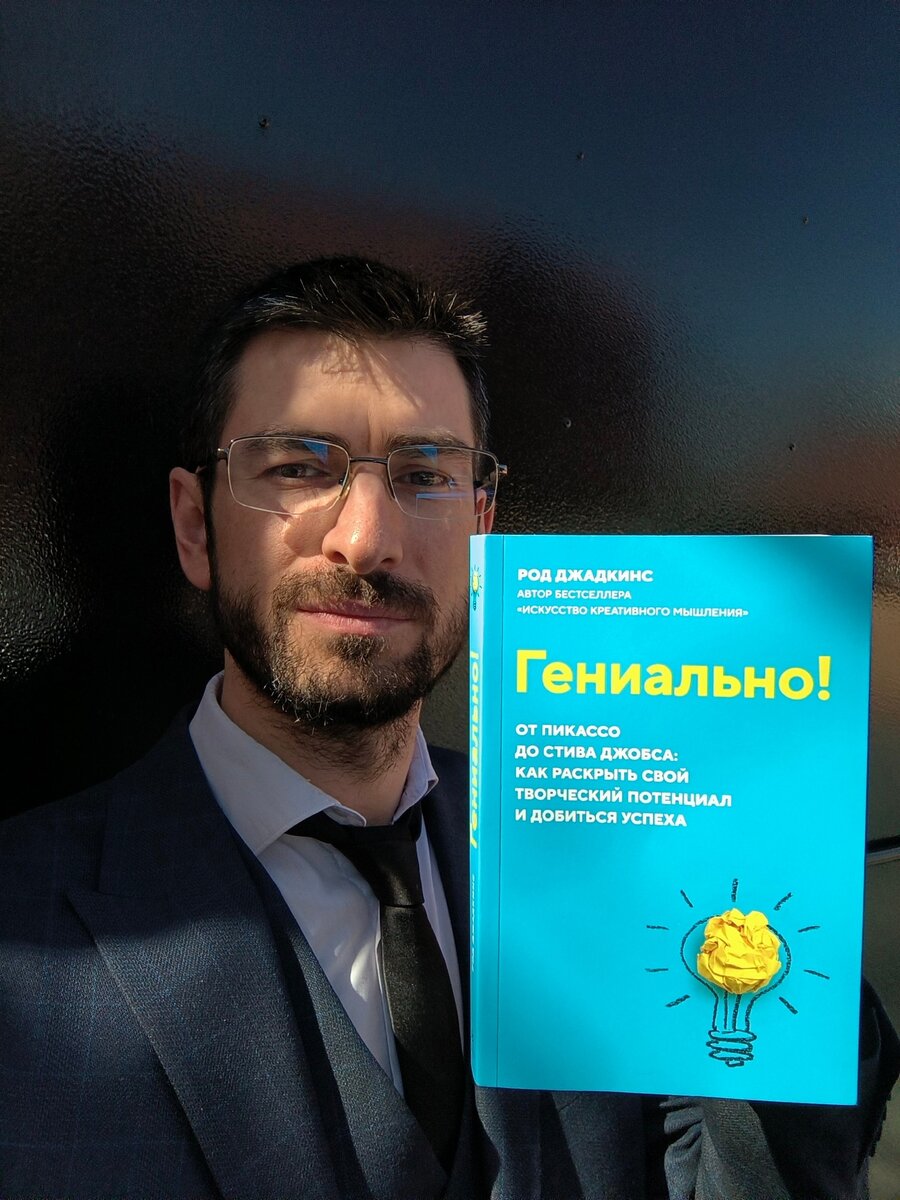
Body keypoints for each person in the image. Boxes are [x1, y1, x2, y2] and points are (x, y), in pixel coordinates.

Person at [0, 256, 897, 1200]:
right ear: (195, 527)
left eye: (424, 474)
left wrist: (778, 907)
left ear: (481, 525)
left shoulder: (600, 854)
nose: (365, 539)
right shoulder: (24, 923)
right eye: (299, 467)